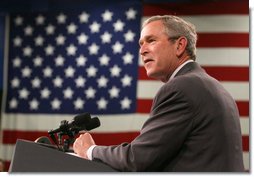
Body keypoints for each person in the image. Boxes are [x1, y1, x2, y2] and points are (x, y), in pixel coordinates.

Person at [73, 15, 244, 172]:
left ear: (179, 45)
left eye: (151, 40)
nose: (142, 50)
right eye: (141, 44)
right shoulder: (214, 87)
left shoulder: (182, 87)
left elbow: (137, 158)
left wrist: (90, 150)